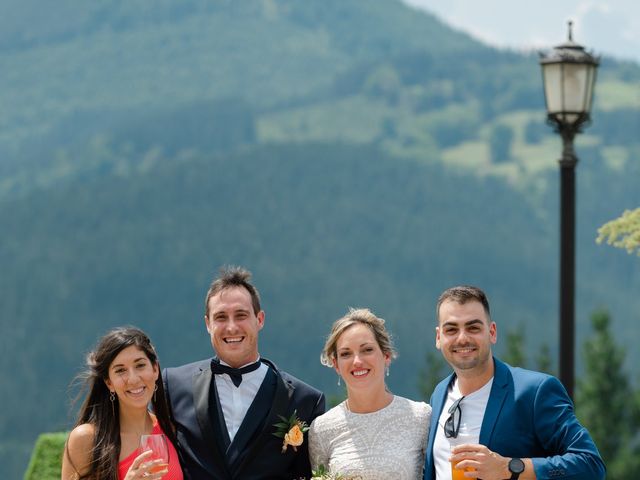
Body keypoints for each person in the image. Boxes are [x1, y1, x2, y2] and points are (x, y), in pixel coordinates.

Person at [423, 285, 606, 480]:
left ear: (492, 332)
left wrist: (509, 468)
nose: (462, 338)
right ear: (438, 338)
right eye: (451, 329)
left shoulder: (535, 391)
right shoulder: (439, 393)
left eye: (473, 327)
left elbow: (590, 464)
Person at [163, 266, 325, 480]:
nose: (231, 327)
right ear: (208, 324)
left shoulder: (305, 400)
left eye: (241, 315)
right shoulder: (173, 386)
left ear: (260, 320)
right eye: (221, 317)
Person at [309, 307, 432, 480]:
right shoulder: (321, 429)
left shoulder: (421, 417)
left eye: (367, 350)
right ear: (336, 365)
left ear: (386, 356)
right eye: (346, 354)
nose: (357, 361)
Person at [62, 326, 183, 480]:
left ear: (155, 369)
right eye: (120, 371)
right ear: (109, 383)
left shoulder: (170, 429)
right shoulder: (86, 439)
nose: (133, 379)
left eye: (140, 365)